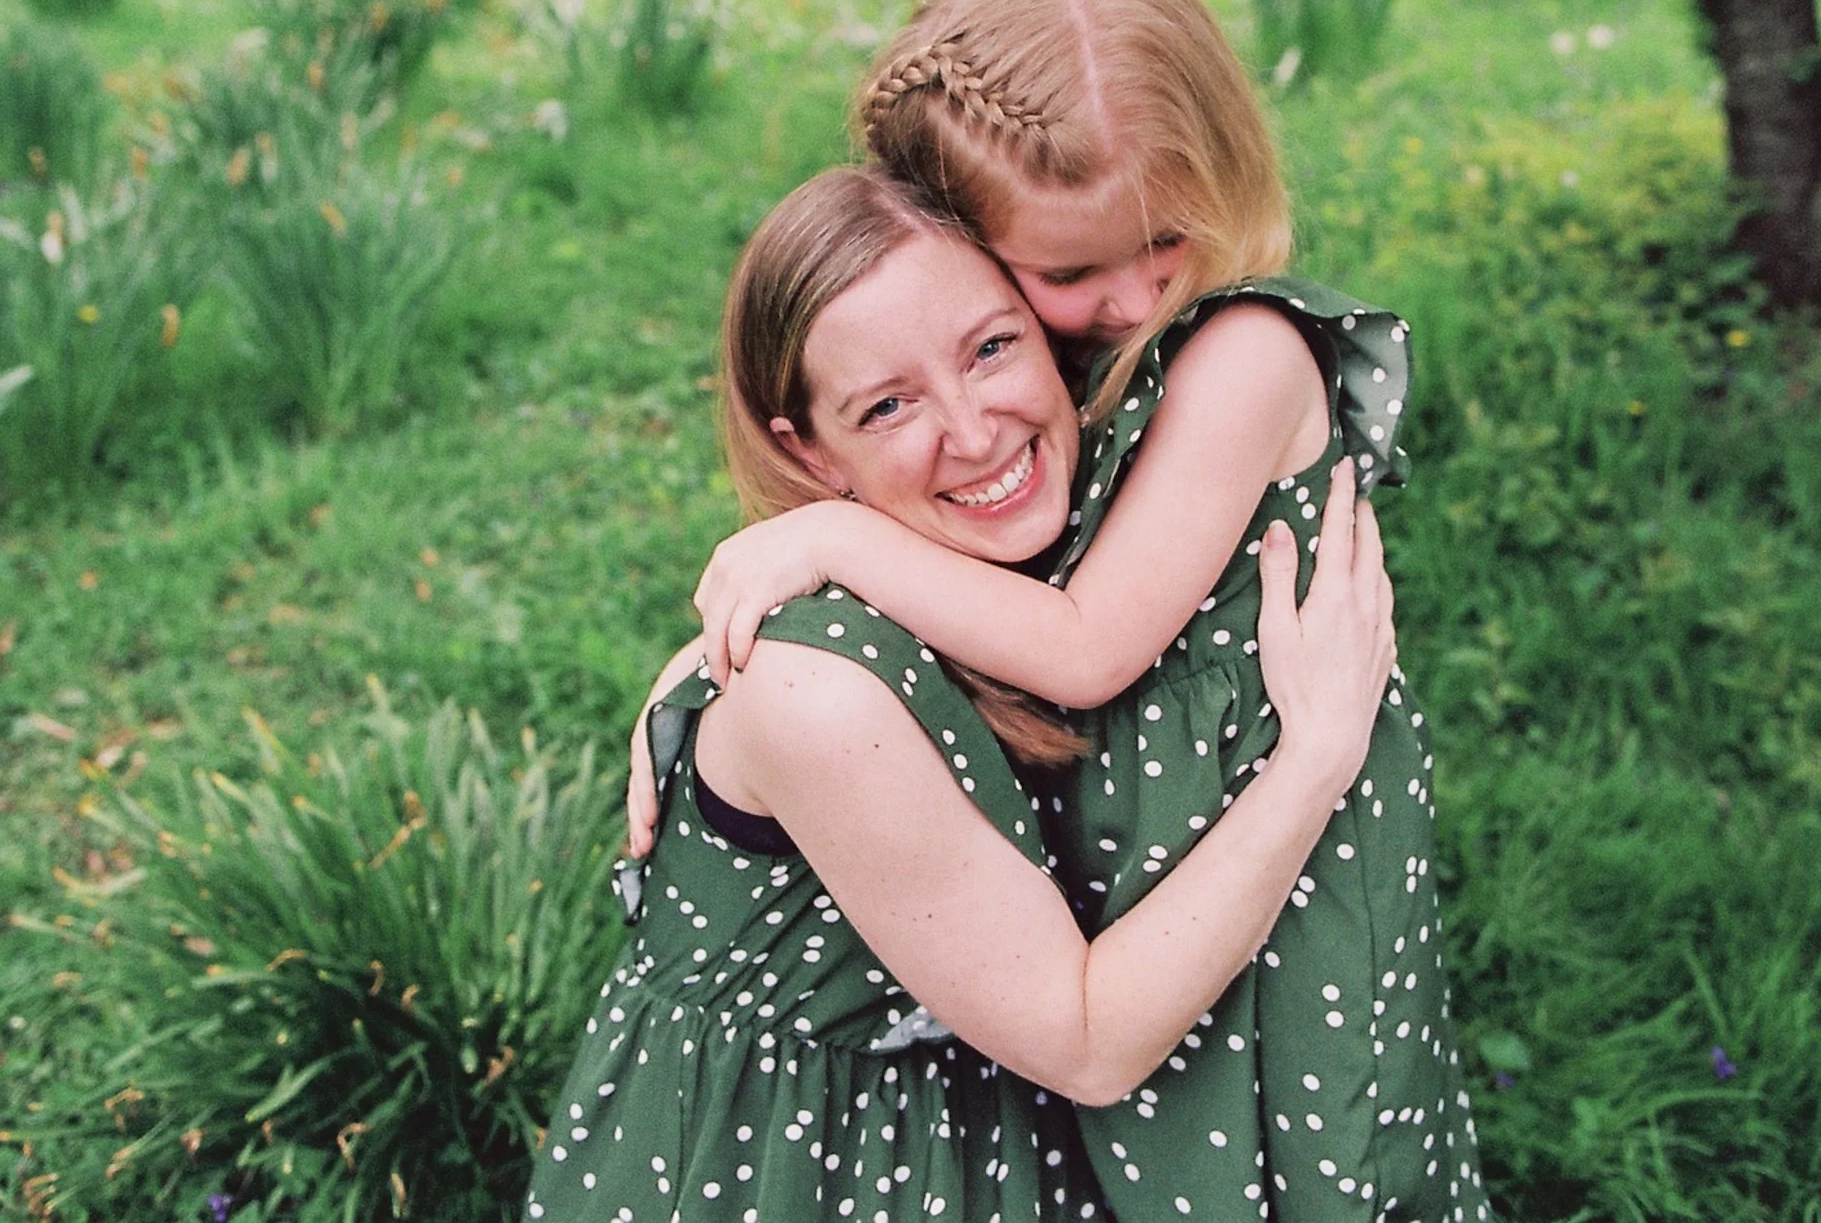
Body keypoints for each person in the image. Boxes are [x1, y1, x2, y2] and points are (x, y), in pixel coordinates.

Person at [680, 0, 1491, 1219]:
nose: (1130, 296)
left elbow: (1086, 644)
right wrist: (708, 670)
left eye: (1165, 235)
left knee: (1305, 1150)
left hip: (1280, 872)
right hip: (1145, 864)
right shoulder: (1039, 375)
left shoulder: (1243, 351)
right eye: (1065, 273)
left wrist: (827, 540)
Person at [527, 166, 1404, 1222]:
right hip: (787, 1169)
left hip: (952, 1124)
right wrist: (1314, 758)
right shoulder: (817, 695)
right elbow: (1088, 1044)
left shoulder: (997, 573)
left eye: (991, 346)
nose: (976, 430)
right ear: (807, 451)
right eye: (887, 404)